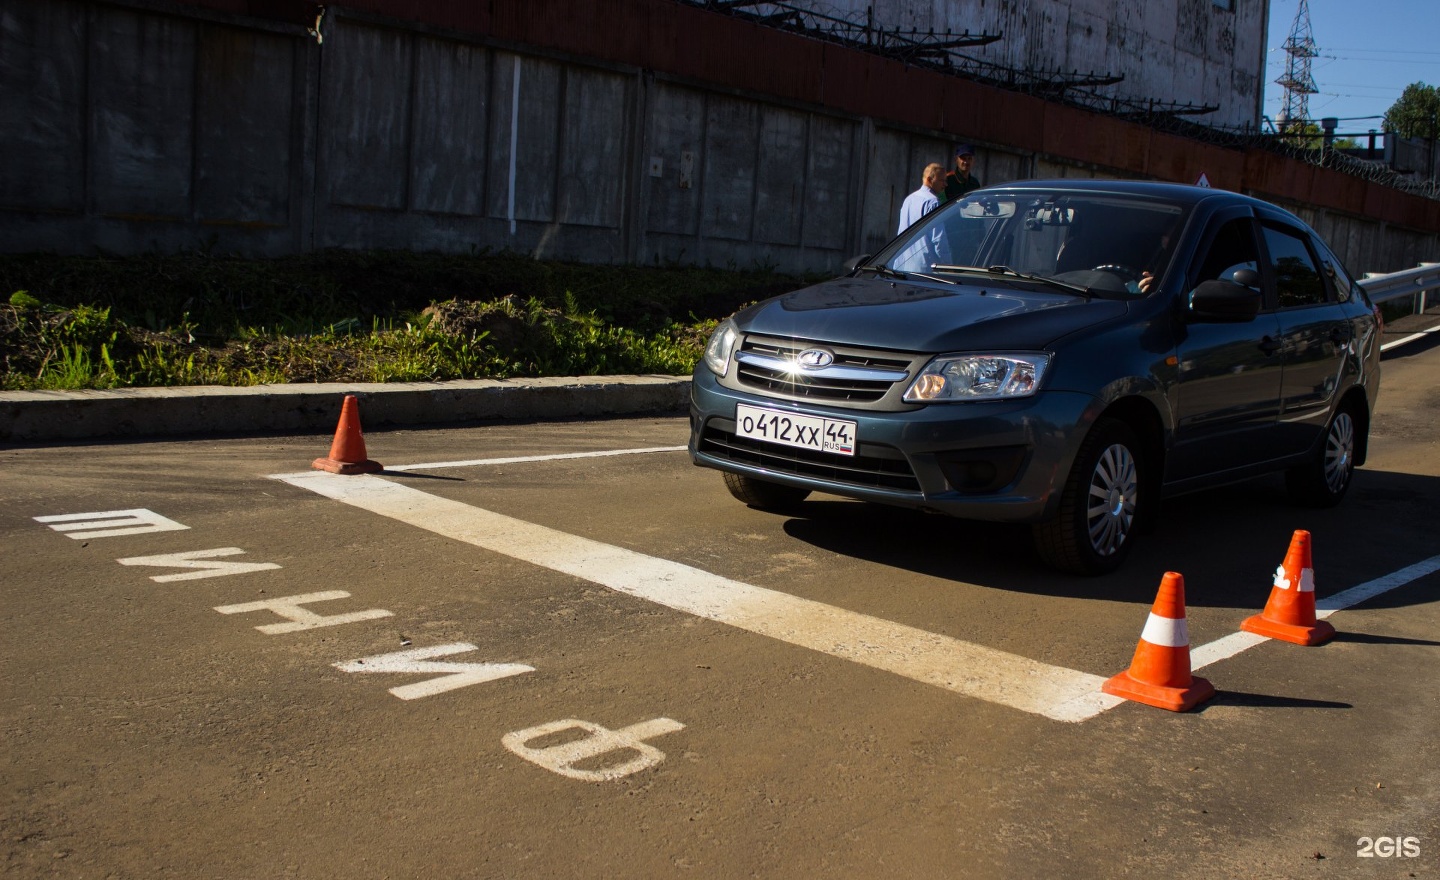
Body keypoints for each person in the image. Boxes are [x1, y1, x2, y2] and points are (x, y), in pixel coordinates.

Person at [897, 162, 945, 234]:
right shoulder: (933, 202)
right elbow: (938, 237)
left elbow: (901, 231)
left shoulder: (908, 199)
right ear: (929, 180)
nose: (945, 184)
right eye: (942, 180)